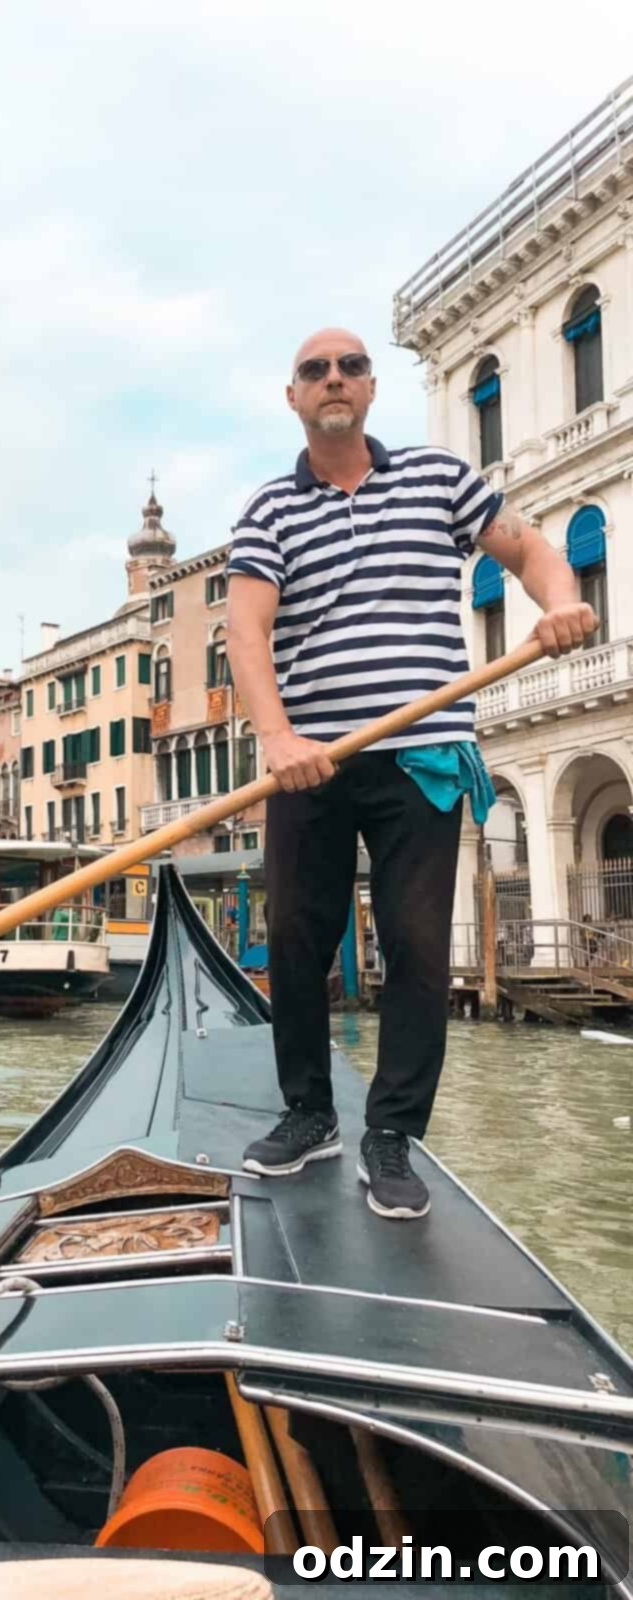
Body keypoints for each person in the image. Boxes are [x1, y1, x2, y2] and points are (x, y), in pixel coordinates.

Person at [226, 327, 596, 1220]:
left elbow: (534, 552)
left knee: (419, 951)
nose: (333, 379)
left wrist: (561, 601)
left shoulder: (439, 482)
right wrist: (276, 739)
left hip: (423, 754)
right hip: (310, 762)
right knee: (302, 938)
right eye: (314, 369)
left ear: (371, 386)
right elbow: (246, 633)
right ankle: (309, 1113)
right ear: (294, 398)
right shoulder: (268, 512)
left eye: (349, 365)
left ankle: (390, 1137)